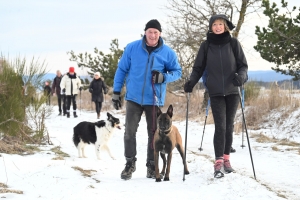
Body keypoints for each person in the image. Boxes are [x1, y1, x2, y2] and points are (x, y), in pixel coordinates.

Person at [112, 19, 182, 180]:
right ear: (145, 32)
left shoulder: (168, 52)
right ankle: (130, 163)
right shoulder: (132, 48)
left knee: (154, 134)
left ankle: (152, 165)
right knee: (129, 132)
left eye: (155, 32)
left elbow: (178, 72)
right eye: (150, 32)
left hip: (154, 101)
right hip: (134, 98)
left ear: (160, 34)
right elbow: (121, 69)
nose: (152, 35)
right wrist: (116, 91)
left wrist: (164, 77)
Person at [184, 14, 248, 178]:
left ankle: (227, 160)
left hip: (232, 90)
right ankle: (218, 162)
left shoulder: (233, 43)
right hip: (216, 92)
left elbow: (243, 66)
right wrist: (191, 82)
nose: (218, 27)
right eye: (215, 24)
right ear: (211, 27)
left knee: (229, 126)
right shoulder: (206, 46)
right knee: (220, 126)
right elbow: (198, 68)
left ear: (225, 26)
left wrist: (241, 77)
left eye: (220, 24)